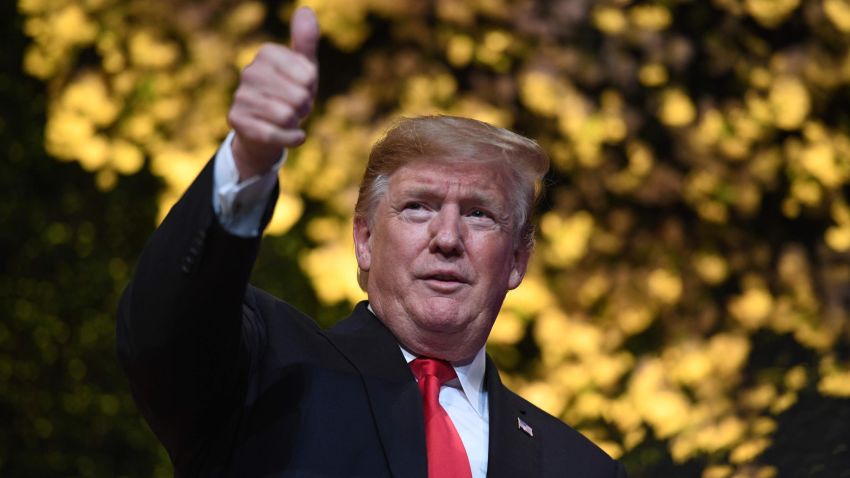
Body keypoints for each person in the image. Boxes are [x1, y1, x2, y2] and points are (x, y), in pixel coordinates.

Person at [117, 6, 627, 478]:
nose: (446, 238)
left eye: (478, 214)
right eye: (418, 207)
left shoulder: (581, 466)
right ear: (363, 238)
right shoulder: (266, 369)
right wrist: (247, 160)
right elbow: (163, 330)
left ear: (517, 259)